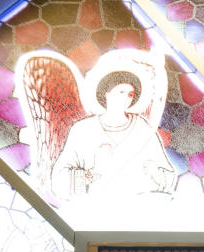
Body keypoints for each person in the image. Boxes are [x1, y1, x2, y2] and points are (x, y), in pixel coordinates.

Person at [52, 70, 176, 199]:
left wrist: (155, 173)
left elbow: (168, 175)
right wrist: (92, 173)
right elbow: (59, 179)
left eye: (130, 94)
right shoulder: (83, 129)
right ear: (107, 93)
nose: (126, 98)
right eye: (121, 92)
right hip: (94, 205)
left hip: (136, 203)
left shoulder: (142, 128)